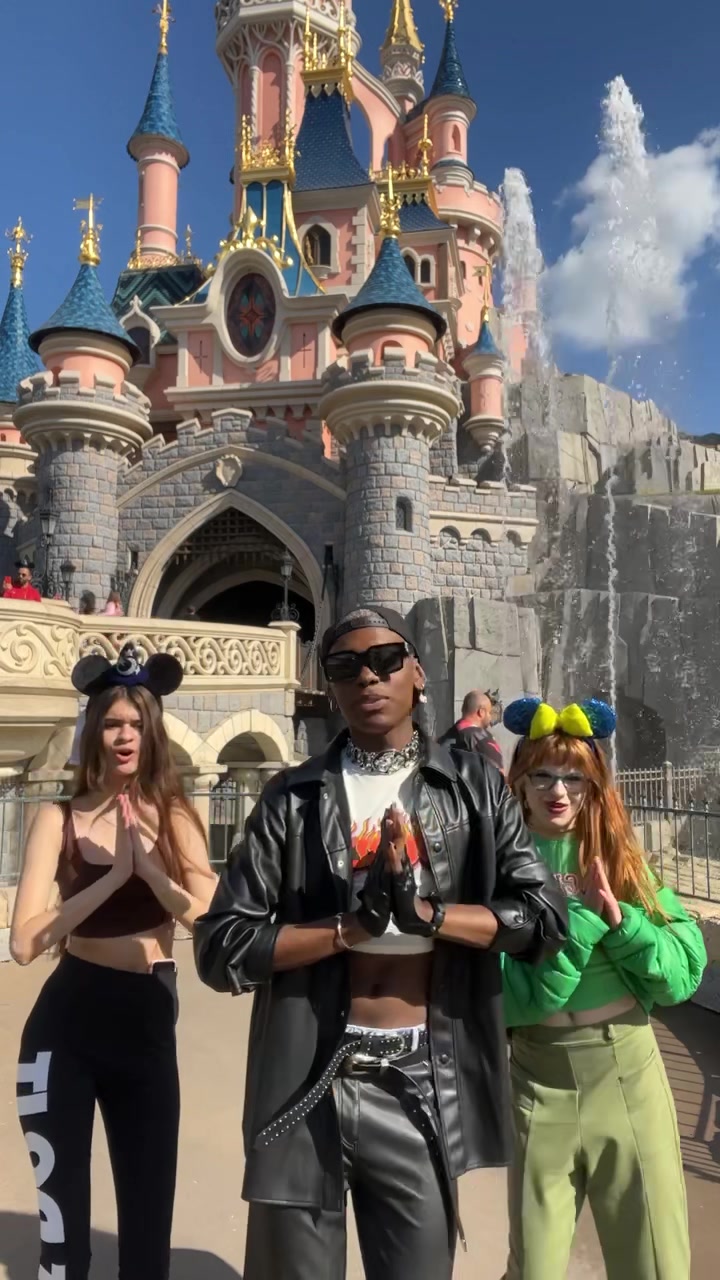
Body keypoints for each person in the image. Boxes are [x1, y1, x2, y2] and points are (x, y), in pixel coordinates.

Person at [194, 606, 568, 1280]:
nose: (368, 676)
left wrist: (430, 916)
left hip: (419, 1082)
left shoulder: (474, 787)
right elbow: (221, 948)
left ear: (417, 672)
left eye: (386, 660)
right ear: (330, 686)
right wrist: (348, 930)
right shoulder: (291, 798)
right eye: (345, 666)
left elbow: (543, 919)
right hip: (306, 1083)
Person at [11, 644, 217, 1280]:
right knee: (63, 1240)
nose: (124, 736)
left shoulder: (177, 818)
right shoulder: (57, 818)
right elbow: (24, 944)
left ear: (151, 734)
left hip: (146, 1020)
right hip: (65, 1024)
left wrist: (152, 876)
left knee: (148, 1233)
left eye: (135, 724)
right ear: (93, 733)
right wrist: (108, 881)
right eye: (111, 724)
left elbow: (213, 923)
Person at [499, 696, 707, 1280]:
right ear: (519, 781)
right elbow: (495, 995)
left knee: (654, 1264)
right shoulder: (494, 867)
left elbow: (683, 973)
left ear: (595, 786)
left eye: (574, 778)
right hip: (536, 1078)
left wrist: (623, 923)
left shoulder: (619, 858)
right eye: (542, 774)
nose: (558, 791)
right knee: (533, 1268)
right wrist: (583, 929)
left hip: (627, 1075)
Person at [439, 688, 504, 771]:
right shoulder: (482, 738)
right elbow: (498, 774)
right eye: (489, 712)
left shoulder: (446, 737)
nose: (490, 717)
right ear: (481, 712)